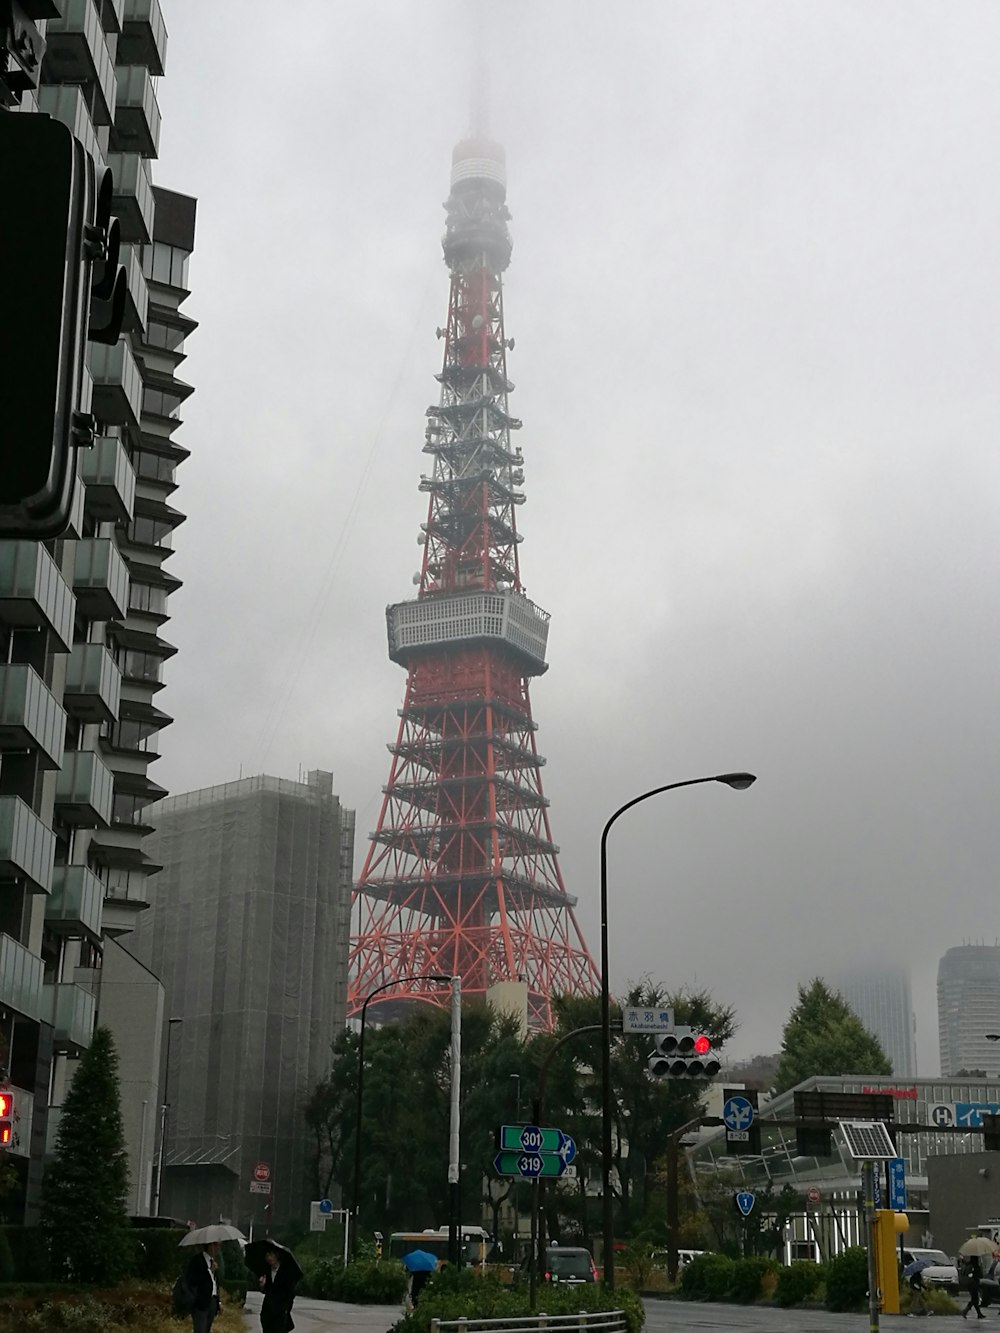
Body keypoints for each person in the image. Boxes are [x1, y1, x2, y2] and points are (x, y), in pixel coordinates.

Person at [259, 1243, 298, 1333]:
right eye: (267, 1256)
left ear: (277, 1255)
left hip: (280, 1311)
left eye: (271, 1255)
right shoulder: (266, 1271)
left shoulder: (286, 1272)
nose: (269, 1258)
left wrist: (286, 1309)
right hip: (267, 1311)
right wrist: (262, 1285)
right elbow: (267, 1291)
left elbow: (291, 1293)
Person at [184, 1241, 220, 1333]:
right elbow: (192, 1280)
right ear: (209, 1246)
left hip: (212, 1301)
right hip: (201, 1303)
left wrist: (218, 1301)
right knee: (200, 1330)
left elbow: (214, 1283)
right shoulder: (197, 1260)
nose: (217, 1248)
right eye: (215, 1245)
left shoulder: (213, 1262)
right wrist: (209, 1271)